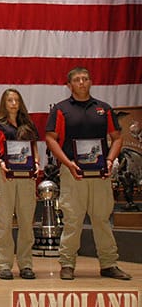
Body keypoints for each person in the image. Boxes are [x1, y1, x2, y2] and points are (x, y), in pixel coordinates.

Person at [45, 67, 131, 281]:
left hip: (100, 174)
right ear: (69, 85)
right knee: (72, 220)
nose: (81, 82)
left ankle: (109, 263)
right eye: (77, 79)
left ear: (90, 82)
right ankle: (67, 264)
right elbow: (50, 138)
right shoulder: (61, 109)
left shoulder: (104, 109)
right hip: (73, 173)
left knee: (102, 220)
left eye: (85, 79)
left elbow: (117, 138)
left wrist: (110, 160)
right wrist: (68, 163)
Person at [0, 89, 40, 280]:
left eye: (16, 99)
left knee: (26, 222)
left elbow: (34, 150)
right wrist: (1, 162)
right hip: (4, 175)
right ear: (4, 103)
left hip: (26, 178)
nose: (14, 103)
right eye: (10, 100)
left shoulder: (29, 124)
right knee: (4, 222)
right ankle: (4, 265)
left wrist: (36, 164)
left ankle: (26, 264)